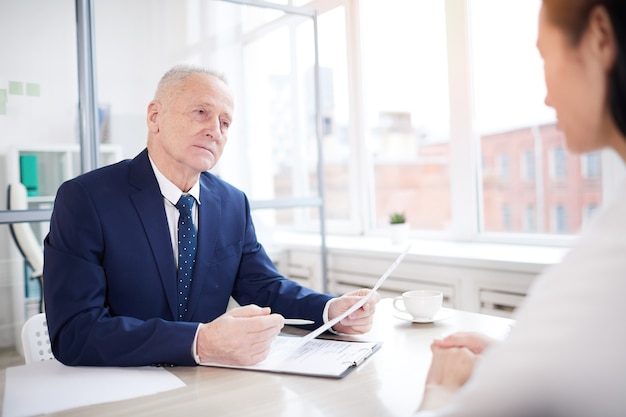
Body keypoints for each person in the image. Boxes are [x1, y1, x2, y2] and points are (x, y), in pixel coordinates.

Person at [43, 65, 380, 367]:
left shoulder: (233, 202)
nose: (215, 131)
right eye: (201, 112)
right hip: (122, 387)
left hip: (209, 385)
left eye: (225, 122)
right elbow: (75, 331)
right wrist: (198, 342)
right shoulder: (86, 199)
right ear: (155, 117)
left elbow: (263, 287)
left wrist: (332, 310)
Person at [415, 1, 626, 416]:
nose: (547, 97)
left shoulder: (612, 248)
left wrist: (440, 391)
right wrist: (516, 360)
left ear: (600, 36)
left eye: (545, 56)